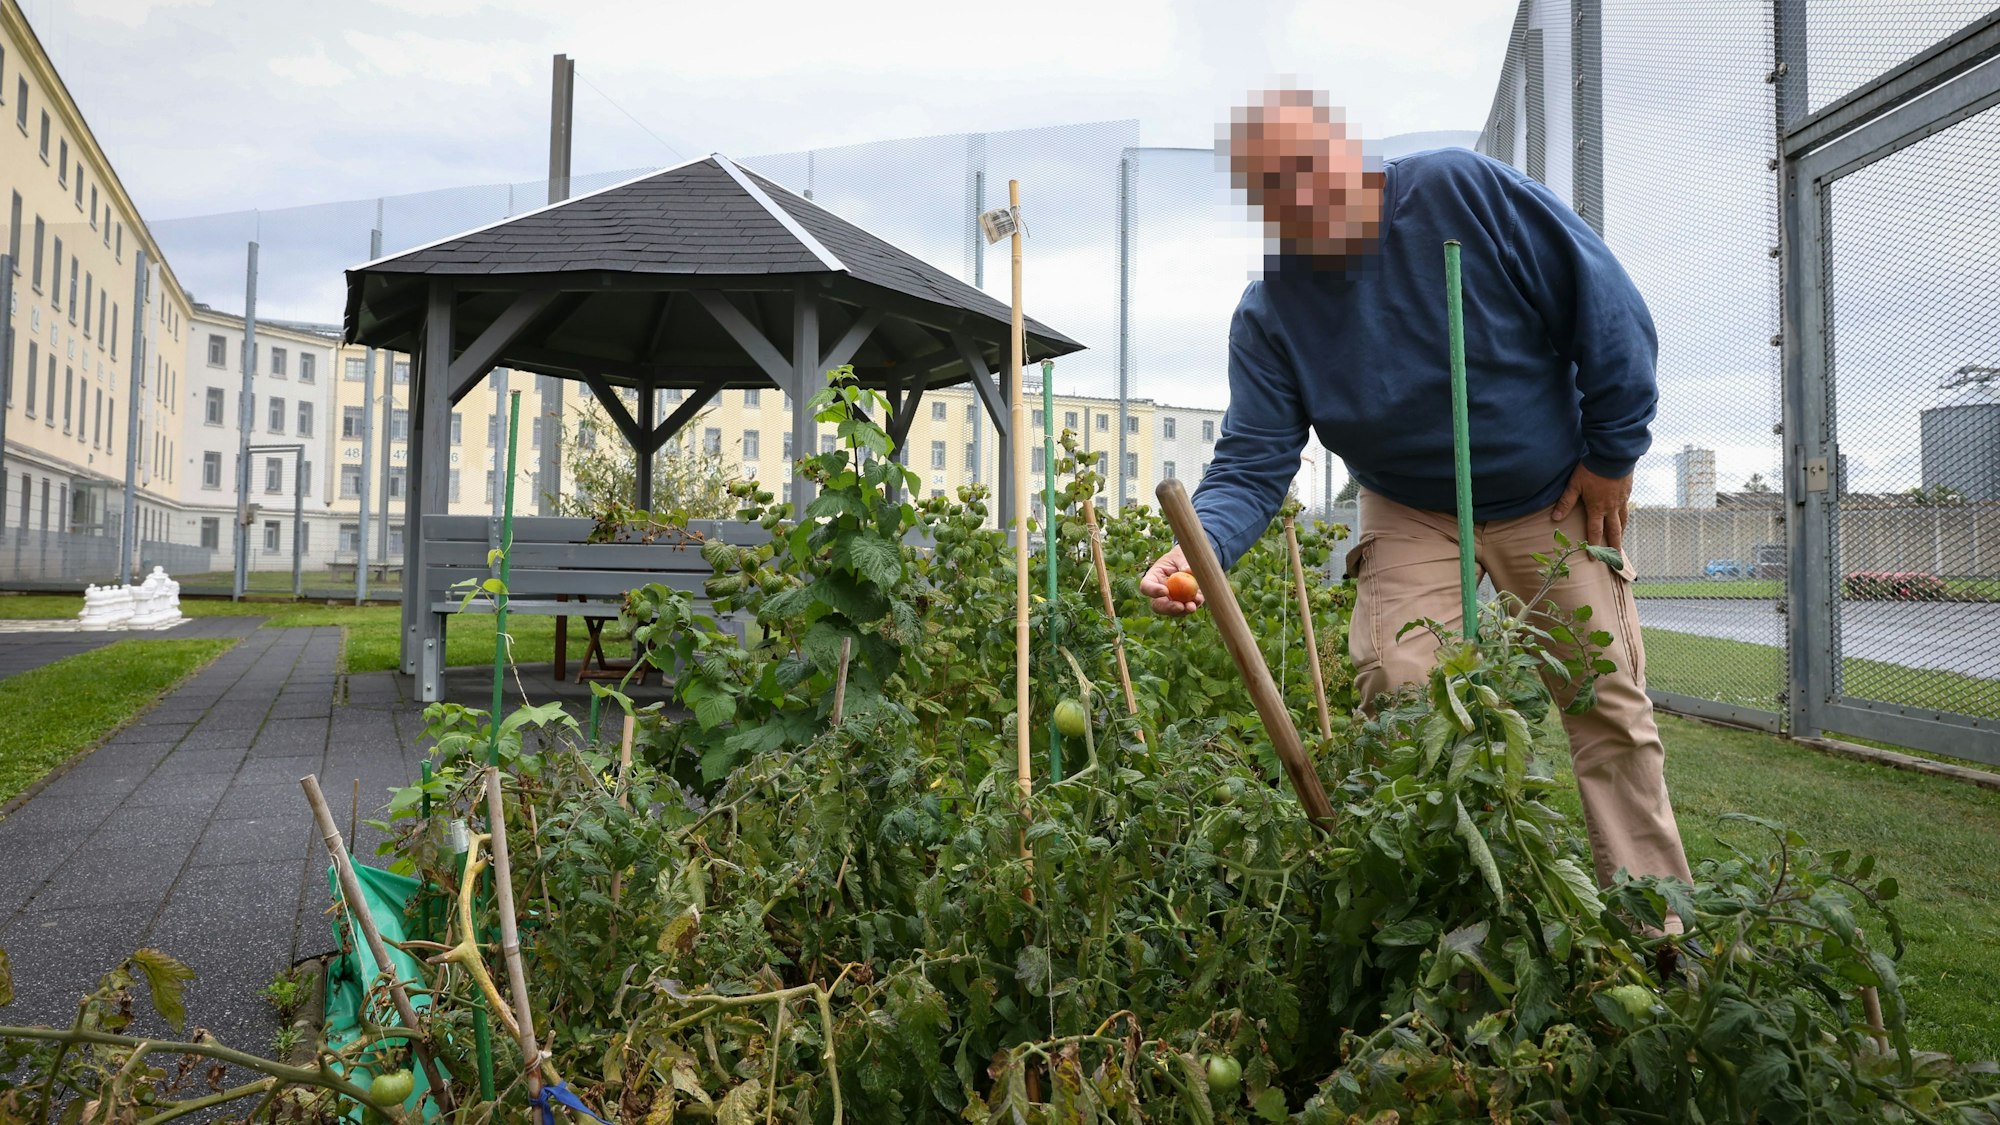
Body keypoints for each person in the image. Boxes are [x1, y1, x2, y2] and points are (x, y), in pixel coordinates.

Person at [1138, 89, 1693, 898]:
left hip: (1553, 490)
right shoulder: (1272, 313)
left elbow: (1607, 307)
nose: (1298, 197)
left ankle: (1657, 928)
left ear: (1348, 152)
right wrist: (1197, 550)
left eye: (1306, 168)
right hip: (1405, 504)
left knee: (1603, 696)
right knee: (1398, 686)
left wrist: (1613, 452)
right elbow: (1253, 463)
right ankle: (1429, 912)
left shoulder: (1461, 192)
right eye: (1271, 187)